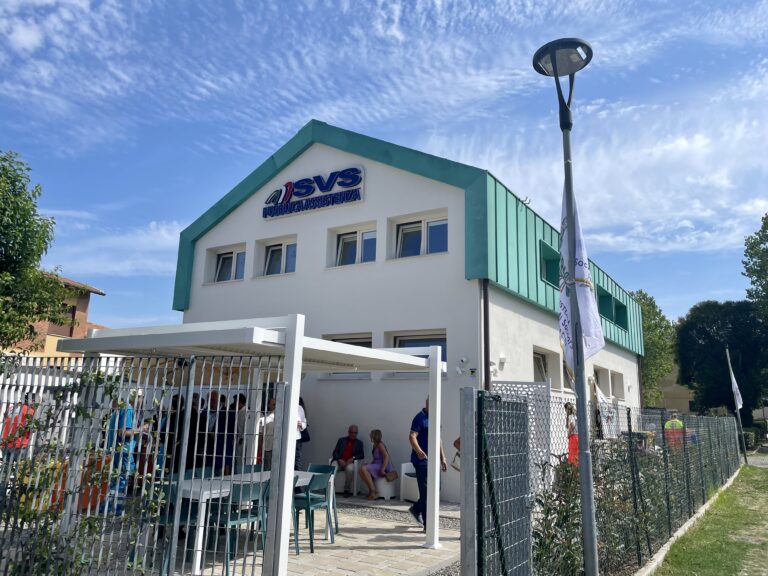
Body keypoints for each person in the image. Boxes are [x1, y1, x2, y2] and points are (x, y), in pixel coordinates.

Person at [408, 397, 447, 531]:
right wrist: (419, 451)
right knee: (426, 493)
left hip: (434, 461)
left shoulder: (435, 417)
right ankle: (428, 525)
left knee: (436, 489)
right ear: (428, 404)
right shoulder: (420, 418)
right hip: (422, 462)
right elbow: (412, 436)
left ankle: (416, 509)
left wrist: (442, 458)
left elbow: (438, 439)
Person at [359, 429, 394, 500]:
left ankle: (374, 491)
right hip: (377, 464)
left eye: (371, 435)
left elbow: (386, 457)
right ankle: (371, 489)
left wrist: (382, 469)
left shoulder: (380, 445)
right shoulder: (375, 445)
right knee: (360, 470)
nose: (370, 437)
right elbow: (375, 459)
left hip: (383, 465)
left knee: (363, 468)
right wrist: (369, 464)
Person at [331, 425, 365, 497]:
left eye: (355, 433)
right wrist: (339, 459)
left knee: (350, 469)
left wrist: (353, 458)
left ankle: (346, 489)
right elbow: (335, 452)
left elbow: (361, 455)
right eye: (352, 432)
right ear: (348, 432)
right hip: (339, 461)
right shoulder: (341, 440)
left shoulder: (359, 443)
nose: (353, 434)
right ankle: (330, 488)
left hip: (350, 463)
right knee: (333, 467)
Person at [260, 398, 276, 470]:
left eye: (276, 405)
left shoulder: (281, 417)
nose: (275, 407)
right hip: (267, 447)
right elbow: (261, 432)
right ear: (268, 405)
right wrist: (260, 446)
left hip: (277, 447)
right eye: (273, 405)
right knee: (268, 469)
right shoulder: (265, 417)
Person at [295, 396, 308, 471]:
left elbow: (304, 422)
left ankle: (297, 475)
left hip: (297, 438)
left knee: (297, 460)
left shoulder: (299, 408)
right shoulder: (284, 406)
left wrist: (301, 424)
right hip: (285, 438)